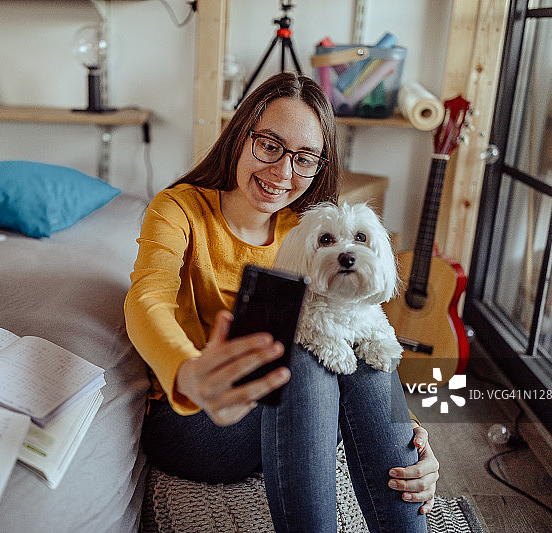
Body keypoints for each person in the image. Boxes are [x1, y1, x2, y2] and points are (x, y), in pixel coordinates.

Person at [125, 72, 438, 533]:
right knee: (305, 355)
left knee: (367, 345)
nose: (283, 173)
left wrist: (410, 433)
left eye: (304, 158)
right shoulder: (180, 210)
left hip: (293, 412)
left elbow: (358, 323)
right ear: (241, 134)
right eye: (270, 145)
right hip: (199, 417)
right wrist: (188, 371)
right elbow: (145, 299)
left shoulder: (310, 232)